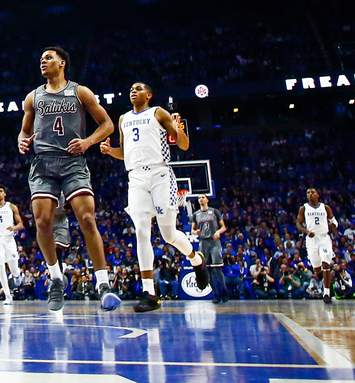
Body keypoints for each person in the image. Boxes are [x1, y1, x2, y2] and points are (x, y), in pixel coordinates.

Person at [17, 46, 118, 311]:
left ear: (62, 64)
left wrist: (88, 142)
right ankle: (56, 278)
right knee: (42, 220)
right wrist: (21, 142)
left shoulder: (80, 91)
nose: (43, 61)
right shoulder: (33, 97)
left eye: (48, 58)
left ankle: (103, 283)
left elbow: (107, 124)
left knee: (86, 218)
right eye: (41, 58)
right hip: (42, 164)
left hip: (73, 161)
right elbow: (24, 131)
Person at [98, 82, 209, 313]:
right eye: (131, 88)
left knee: (168, 235)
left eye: (138, 88)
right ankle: (150, 292)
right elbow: (125, 153)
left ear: (148, 95)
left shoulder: (158, 112)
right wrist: (110, 151)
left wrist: (178, 131)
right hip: (136, 178)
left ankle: (196, 258)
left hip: (160, 173)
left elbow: (184, 145)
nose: (133, 91)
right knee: (141, 231)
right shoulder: (123, 119)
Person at [297, 187, 338, 305]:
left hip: (324, 238)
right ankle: (324, 279)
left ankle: (326, 293)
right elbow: (298, 223)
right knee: (317, 268)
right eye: (308, 193)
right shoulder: (303, 208)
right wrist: (305, 231)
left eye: (313, 192)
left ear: (318, 195)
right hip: (311, 239)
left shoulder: (325, 207)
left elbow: (334, 221)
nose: (310, 194)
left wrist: (333, 225)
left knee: (326, 263)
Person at [190, 194, 228, 304]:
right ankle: (216, 295)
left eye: (202, 197)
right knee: (207, 269)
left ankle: (224, 293)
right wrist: (195, 232)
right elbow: (192, 230)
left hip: (214, 241)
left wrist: (218, 232)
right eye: (199, 198)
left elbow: (223, 227)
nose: (200, 199)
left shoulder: (214, 211)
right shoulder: (196, 214)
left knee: (217, 269)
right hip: (203, 242)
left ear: (207, 199)